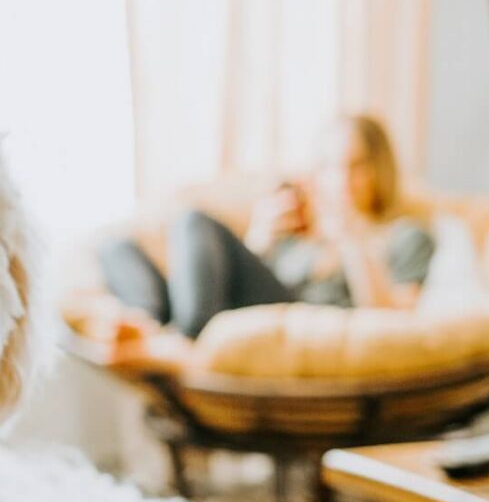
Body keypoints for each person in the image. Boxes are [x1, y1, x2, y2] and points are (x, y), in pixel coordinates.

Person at [99, 114, 436, 339]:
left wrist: (352, 238)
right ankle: (148, 324)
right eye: (331, 165)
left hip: (298, 319)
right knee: (116, 248)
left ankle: (185, 338)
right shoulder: (301, 234)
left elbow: (394, 322)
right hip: (237, 309)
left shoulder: (406, 235)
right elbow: (238, 281)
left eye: (356, 165)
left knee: (194, 221)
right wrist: (259, 240)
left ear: (380, 169)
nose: (342, 178)